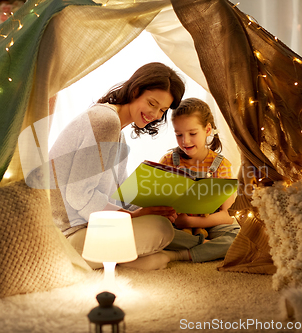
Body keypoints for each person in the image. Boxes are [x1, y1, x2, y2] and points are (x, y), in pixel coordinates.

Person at [46, 62, 185, 270]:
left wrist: (150, 207)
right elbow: (79, 194)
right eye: (152, 103)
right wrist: (133, 216)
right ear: (136, 90)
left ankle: (129, 259)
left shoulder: (116, 129)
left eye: (162, 110)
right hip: (67, 236)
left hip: (85, 227)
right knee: (160, 229)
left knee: (160, 223)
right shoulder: (105, 121)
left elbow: (120, 195)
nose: (155, 115)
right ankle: (171, 256)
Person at [158, 97, 240, 263]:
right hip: (176, 226)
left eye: (192, 133)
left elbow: (226, 215)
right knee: (153, 230)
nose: (185, 141)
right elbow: (159, 204)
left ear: (208, 130)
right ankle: (204, 246)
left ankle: (181, 254)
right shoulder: (168, 161)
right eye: (178, 134)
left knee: (238, 237)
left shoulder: (221, 165)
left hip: (211, 223)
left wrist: (188, 221)